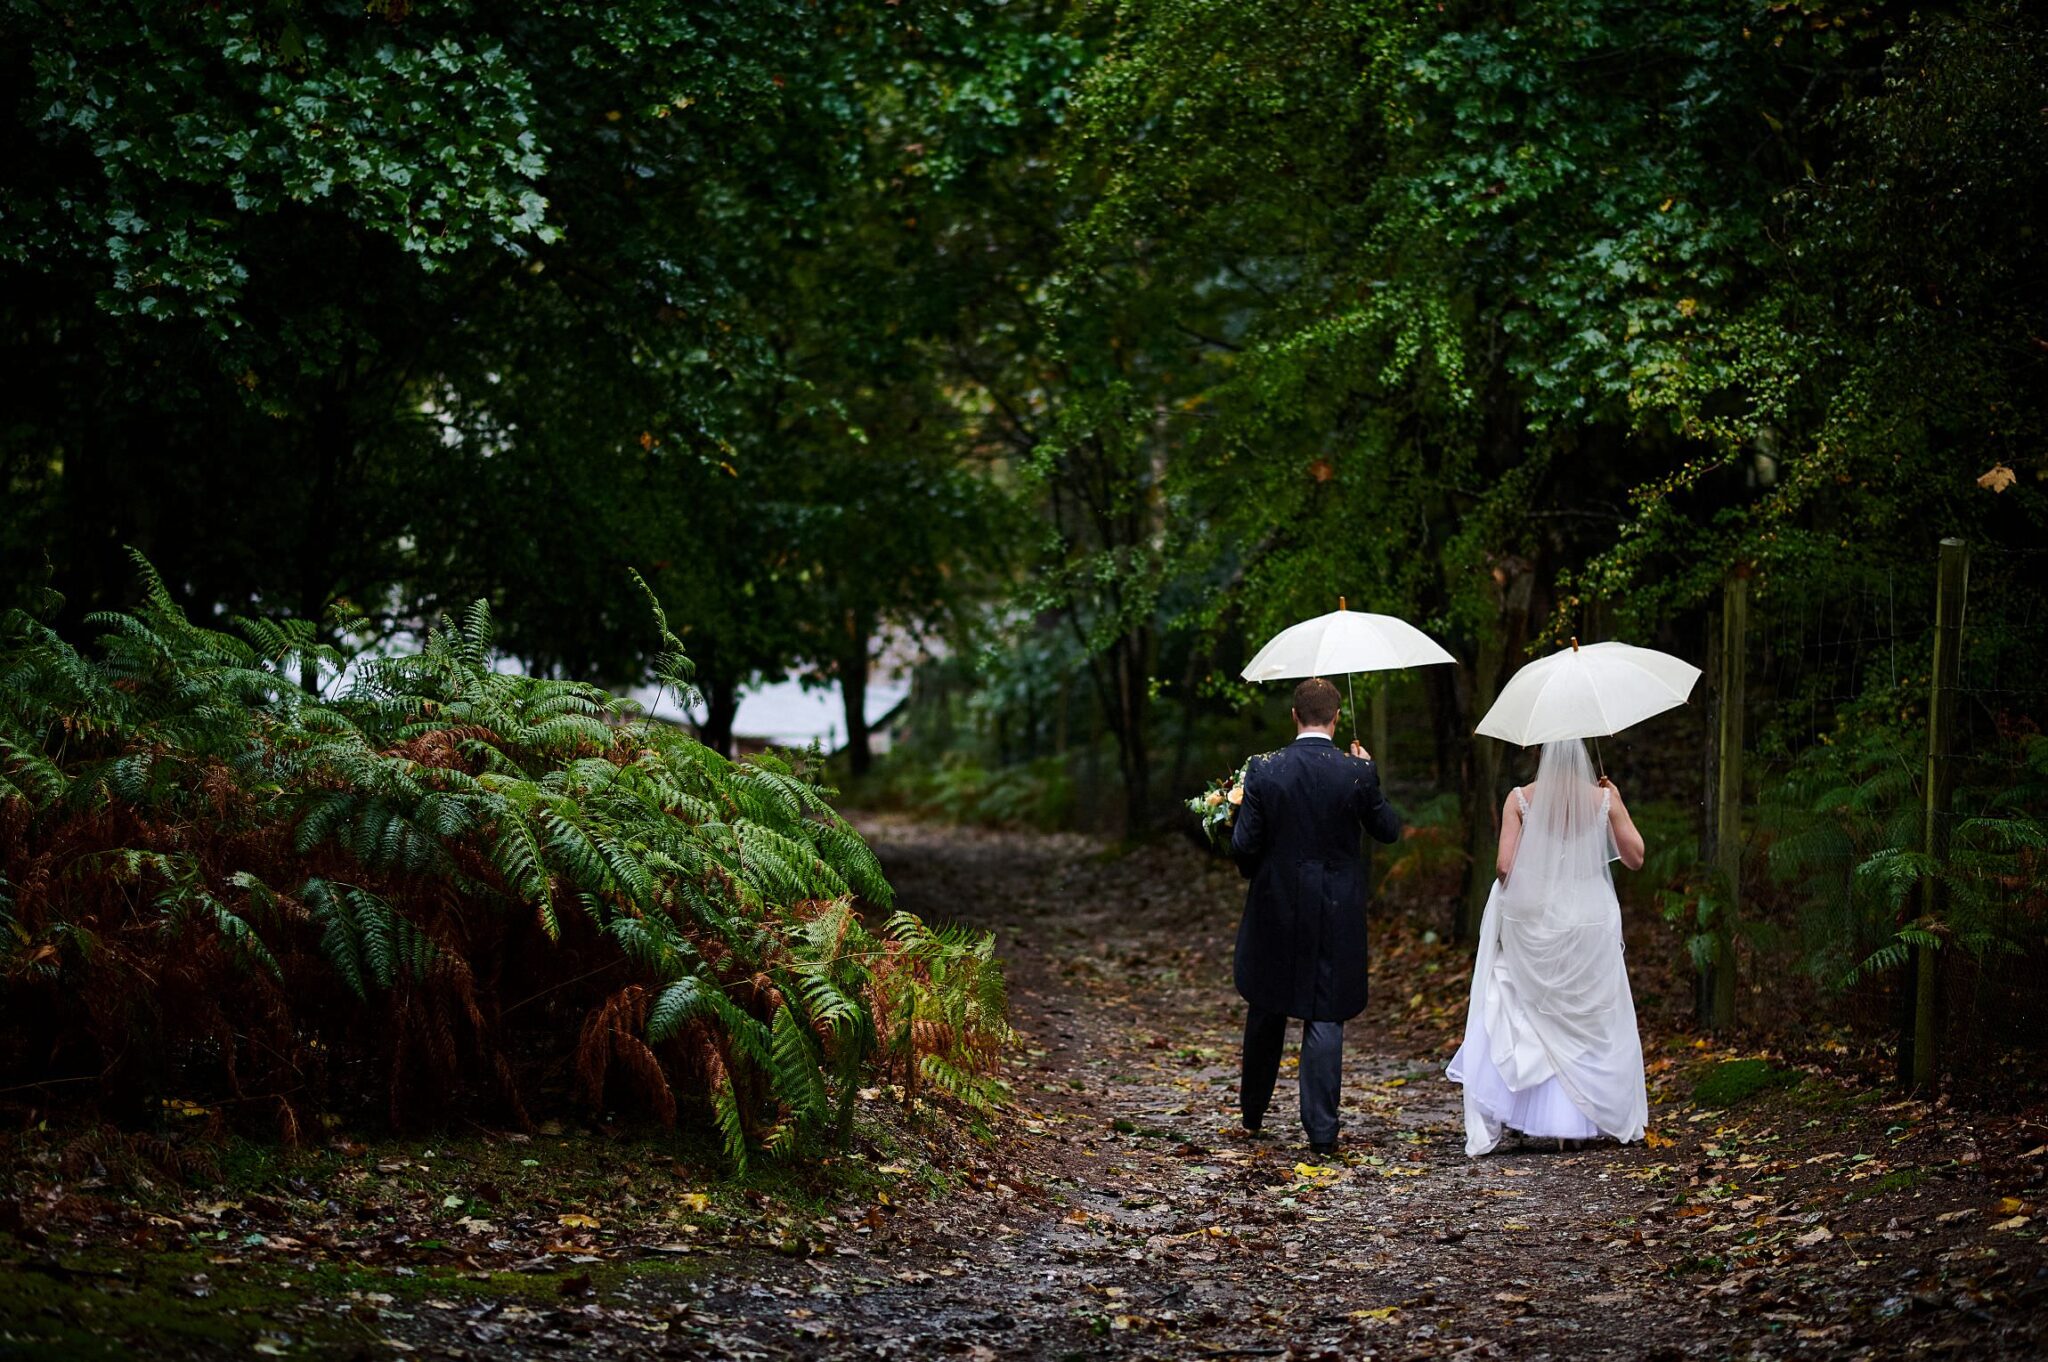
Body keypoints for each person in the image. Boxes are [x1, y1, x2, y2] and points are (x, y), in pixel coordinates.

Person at [1446, 739, 1649, 1155]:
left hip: (1537, 917)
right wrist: (1616, 803)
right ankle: (1578, 1120)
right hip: (1590, 917)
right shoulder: (1603, 797)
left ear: (1538, 752)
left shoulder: (1520, 799)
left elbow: (1504, 866)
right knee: (1588, 1014)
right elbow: (1635, 858)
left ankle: (1547, 1114)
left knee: (1533, 1012)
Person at [1229, 676, 1404, 1156]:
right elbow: (1388, 831)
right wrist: (1369, 774)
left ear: (1294, 715)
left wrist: (1255, 869)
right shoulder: (1355, 772)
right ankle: (1322, 1134)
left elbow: (1244, 846)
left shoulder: (1263, 769)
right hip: (1335, 909)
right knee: (1325, 1012)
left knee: (1266, 1003)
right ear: (1336, 718)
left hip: (1275, 904)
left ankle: (1253, 1114)